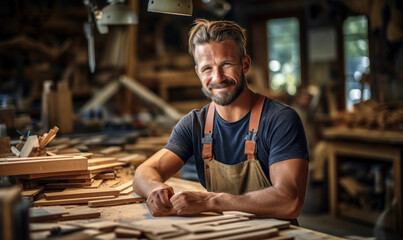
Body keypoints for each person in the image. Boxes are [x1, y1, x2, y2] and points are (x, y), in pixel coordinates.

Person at [133, 19, 309, 222]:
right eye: (207, 68)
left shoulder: (280, 120)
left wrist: (210, 201)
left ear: (245, 64)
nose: (217, 77)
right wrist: (156, 189)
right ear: (198, 73)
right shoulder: (194, 124)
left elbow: (289, 201)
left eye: (226, 64)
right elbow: (143, 173)